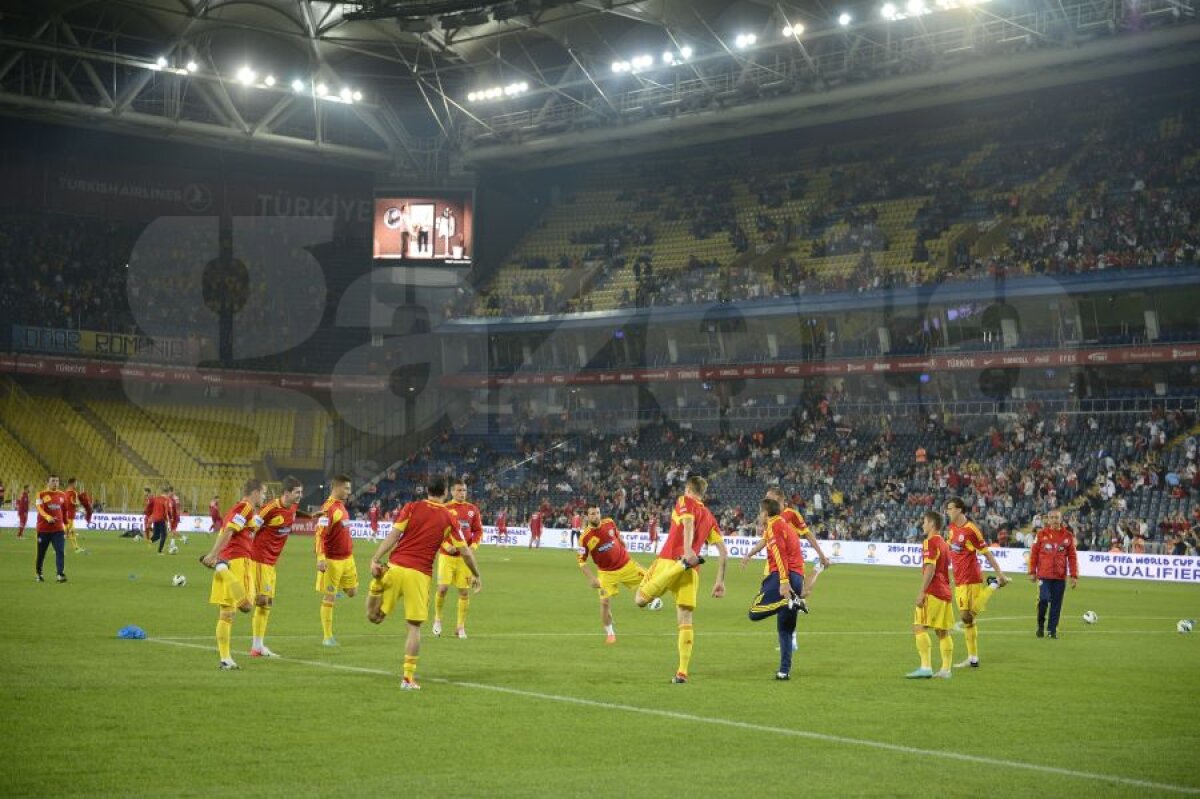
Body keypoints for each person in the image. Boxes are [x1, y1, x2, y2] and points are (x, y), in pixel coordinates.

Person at [366, 477, 482, 690]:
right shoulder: (448, 516)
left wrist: (376, 557)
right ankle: (408, 678)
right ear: (445, 492)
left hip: (396, 567)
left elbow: (394, 534)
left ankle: (376, 583)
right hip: (419, 575)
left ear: (427, 490)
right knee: (414, 627)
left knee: (374, 617)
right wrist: (477, 573)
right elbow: (465, 551)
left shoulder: (411, 507)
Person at [635, 475, 728, 684]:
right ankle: (682, 672)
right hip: (693, 570)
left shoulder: (684, 501)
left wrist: (686, 552)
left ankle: (679, 566)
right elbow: (723, 551)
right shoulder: (710, 517)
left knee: (640, 599)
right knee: (685, 619)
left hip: (671, 561)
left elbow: (687, 522)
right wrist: (720, 581)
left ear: (688, 489)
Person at [741, 487, 831, 650]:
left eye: (769, 497)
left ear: (779, 499)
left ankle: (791, 639)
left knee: (796, 596)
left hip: (792, 564)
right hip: (773, 567)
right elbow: (765, 540)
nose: (766, 500)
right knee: (787, 600)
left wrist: (822, 555)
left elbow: (808, 534)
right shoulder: (770, 517)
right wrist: (750, 554)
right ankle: (788, 641)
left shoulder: (792, 514)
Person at [201, 479, 264, 670]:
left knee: (226, 614)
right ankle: (221, 569)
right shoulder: (245, 507)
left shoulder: (242, 510)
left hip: (228, 560)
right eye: (263, 493)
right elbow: (228, 531)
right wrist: (213, 555)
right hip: (237, 562)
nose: (264, 497)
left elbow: (238, 529)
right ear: (254, 492)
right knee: (246, 605)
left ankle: (225, 659)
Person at [578, 505, 663, 644]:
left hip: (626, 565)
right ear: (587, 516)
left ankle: (651, 599)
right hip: (606, 573)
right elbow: (581, 561)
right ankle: (610, 634)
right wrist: (592, 579)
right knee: (604, 603)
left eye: (598, 513)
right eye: (592, 514)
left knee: (651, 579)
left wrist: (622, 542)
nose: (596, 516)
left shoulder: (609, 522)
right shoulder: (585, 537)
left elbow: (617, 535)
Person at [944, 496, 1010, 669]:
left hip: (971, 577)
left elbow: (986, 552)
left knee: (967, 616)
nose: (947, 511)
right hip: (958, 579)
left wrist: (999, 572)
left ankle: (994, 583)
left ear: (959, 509)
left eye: (950, 508)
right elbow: (949, 548)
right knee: (967, 620)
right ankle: (973, 659)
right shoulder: (951, 528)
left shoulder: (971, 530)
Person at [744, 498, 807, 680]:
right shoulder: (784, 525)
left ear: (765, 513)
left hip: (782, 576)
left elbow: (779, 554)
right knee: (785, 629)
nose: (759, 516)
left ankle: (787, 603)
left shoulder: (773, 526)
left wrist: (784, 581)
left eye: (760, 512)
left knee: (754, 612)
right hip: (797, 576)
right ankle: (784, 671)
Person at [248, 477, 305, 658]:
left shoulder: (293, 507)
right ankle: (256, 646)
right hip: (259, 559)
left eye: (301, 492)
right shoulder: (270, 508)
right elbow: (251, 528)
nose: (300, 495)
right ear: (286, 493)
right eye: (297, 492)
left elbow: (297, 512)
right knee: (261, 601)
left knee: (267, 603)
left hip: (272, 563)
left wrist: (313, 516)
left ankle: (258, 647)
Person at [907, 511, 955, 679]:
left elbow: (930, 568)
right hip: (946, 592)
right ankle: (946, 669)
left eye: (924, 522)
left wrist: (922, 592)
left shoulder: (930, 542)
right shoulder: (944, 543)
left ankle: (925, 667)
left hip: (933, 591)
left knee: (919, 627)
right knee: (943, 631)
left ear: (932, 524)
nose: (922, 525)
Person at [435, 479, 484, 638]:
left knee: (464, 592)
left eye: (464, 490)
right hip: (446, 556)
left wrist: (472, 548)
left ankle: (460, 627)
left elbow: (478, 531)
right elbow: (436, 530)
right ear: (451, 492)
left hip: (464, 558)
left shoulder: (472, 509)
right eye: (458, 490)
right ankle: (437, 619)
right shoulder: (445, 508)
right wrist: (444, 544)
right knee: (442, 589)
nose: (462, 493)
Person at [314, 475, 358, 646]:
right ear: (337, 487)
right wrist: (321, 557)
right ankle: (327, 636)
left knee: (353, 592)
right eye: (346, 488)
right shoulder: (328, 508)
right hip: (332, 561)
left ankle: (337, 586)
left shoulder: (341, 507)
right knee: (329, 597)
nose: (349, 491)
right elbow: (319, 533)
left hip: (348, 559)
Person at [1029, 509, 1079, 639]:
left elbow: (1072, 557)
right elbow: (1034, 554)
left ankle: (1052, 630)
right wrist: (1032, 571)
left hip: (1060, 576)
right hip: (1044, 575)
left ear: (1061, 519)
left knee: (1056, 604)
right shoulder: (1041, 534)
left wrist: (1074, 575)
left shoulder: (1067, 536)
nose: (1054, 520)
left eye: (1056, 518)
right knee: (1044, 599)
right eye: (1052, 517)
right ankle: (1040, 625)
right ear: (1048, 519)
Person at [34, 475, 68, 583]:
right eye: (53, 481)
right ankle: (39, 574)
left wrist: (66, 526)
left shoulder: (62, 495)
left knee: (60, 551)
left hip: (58, 530)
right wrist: (47, 517)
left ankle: (60, 574)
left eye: (57, 481)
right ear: (47, 482)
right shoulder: (41, 494)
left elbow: (64, 512)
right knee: (41, 553)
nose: (55, 483)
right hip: (43, 530)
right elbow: (39, 508)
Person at [62, 477, 85, 554]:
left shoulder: (65, 492)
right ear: (72, 483)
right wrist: (78, 505)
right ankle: (59, 549)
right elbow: (72, 503)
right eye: (76, 483)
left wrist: (78, 509)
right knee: (67, 533)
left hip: (67, 515)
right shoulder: (73, 493)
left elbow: (68, 504)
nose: (76, 484)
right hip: (69, 516)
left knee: (71, 532)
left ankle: (76, 548)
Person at [148, 485, 173, 554]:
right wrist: (170, 518)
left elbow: (150, 506)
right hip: (162, 519)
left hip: (155, 519)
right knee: (164, 535)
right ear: (167, 493)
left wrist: (151, 515)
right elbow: (168, 511)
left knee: (157, 535)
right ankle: (160, 551)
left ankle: (150, 541)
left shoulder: (156, 498)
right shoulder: (166, 500)